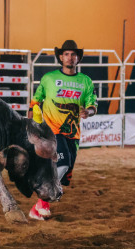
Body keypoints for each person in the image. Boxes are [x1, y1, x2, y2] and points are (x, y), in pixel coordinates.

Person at [27, 40, 98, 220]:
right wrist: (31, 116)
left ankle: (39, 206)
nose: (70, 57)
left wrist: (87, 112)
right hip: (52, 129)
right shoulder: (49, 78)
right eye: (66, 54)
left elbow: (93, 104)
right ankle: (42, 201)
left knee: (65, 173)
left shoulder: (85, 81)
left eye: (73, 54)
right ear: (60, 57)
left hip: (73, 133)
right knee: (63, 163)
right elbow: (36, 99)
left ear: (78, 58)